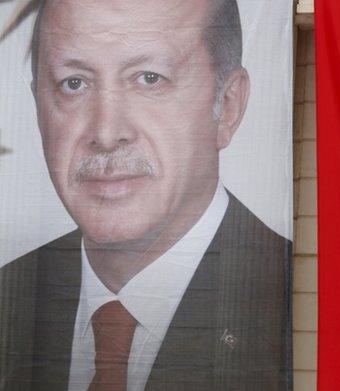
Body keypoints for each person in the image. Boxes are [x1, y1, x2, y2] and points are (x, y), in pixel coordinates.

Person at [0, 1, 291, 390]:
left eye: (149, 78)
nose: (105, 133)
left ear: (228, 106)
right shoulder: (8, 296)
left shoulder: (294, 301)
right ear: (37, 105)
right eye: (74, 83)